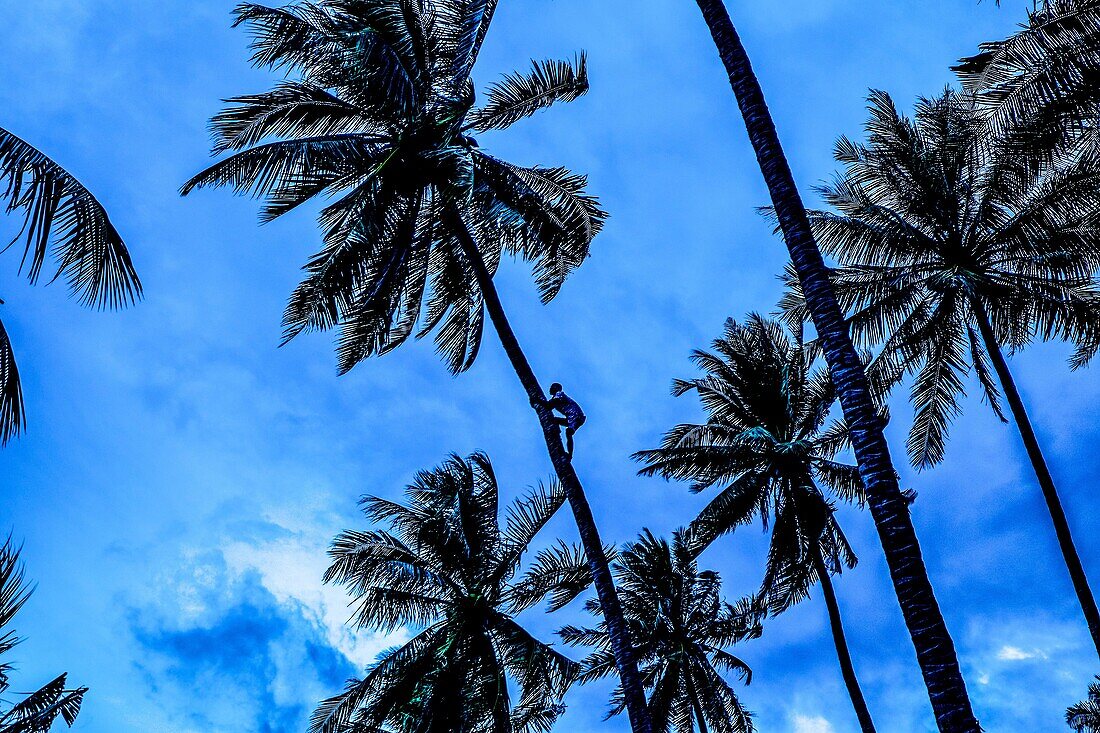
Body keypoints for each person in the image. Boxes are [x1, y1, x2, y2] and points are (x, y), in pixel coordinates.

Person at [535, 382, 586, 458]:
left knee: (568, 432)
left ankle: (569, 455)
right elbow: (549, 406)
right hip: (572, 418)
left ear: (557, 388)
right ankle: (557, 432)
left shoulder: (559, 394)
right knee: (554, 421)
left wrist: (537, 400)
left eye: (553, 387)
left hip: (576, 416)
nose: (550, 388)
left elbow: (548, 406)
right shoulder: (556, 397)